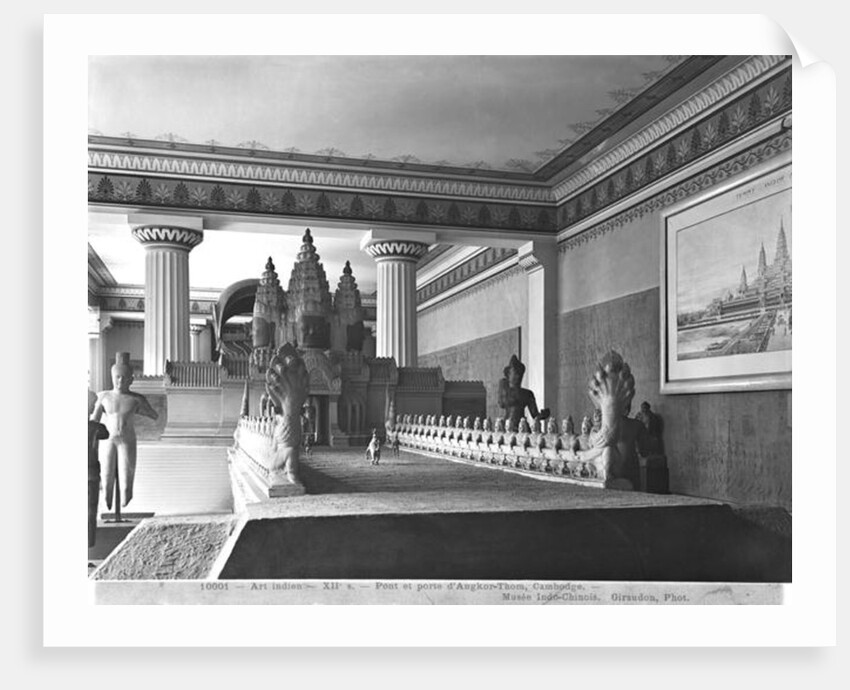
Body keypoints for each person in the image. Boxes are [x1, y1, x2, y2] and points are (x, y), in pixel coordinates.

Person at [90, 353, 158, 509]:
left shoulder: (136, 399)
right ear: (112, 377)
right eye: (117, 377)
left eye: (124, 378)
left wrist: (142, 409)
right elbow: (94, 422)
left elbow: (154, 415)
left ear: (131, 380)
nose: (120, 381)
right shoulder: (103, 397)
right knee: (106, 477)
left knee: (126, 481)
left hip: (127, 439)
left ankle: (124, 501)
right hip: (108, 439)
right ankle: (108, 502)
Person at [497, 354, 550, 431]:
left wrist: (542, 415)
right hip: (507, 424)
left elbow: (535, 415)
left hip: (522, 425)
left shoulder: (527, 394)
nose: (518, 377)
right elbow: (501, 403)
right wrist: (503, 384)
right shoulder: (505, 390)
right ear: (508, 374)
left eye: (520, 374)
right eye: (515, 373)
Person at [88, 391, 109, 548]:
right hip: (91, 474)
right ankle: (88, 543)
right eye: (92, 405)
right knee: (90, 511)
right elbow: (105, 433)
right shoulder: (97, 428)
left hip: (91, 474)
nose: (92, 408)